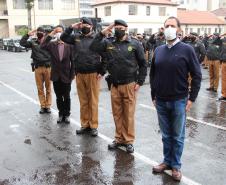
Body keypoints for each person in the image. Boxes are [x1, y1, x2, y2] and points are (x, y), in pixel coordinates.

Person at [150, 17, 202, 181]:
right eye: (167, 26)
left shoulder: (187, 49)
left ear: (179, 29)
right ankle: (167, 161)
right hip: (161, 101)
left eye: (172, 26)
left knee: (177, 136)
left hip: (179, 100)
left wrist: (191, 98)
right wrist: (153, 95)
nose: (169, 28)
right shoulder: (158, 50)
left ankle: (176, 166)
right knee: (166, 135)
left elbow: (197, 75)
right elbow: (153, 74)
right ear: (162, 29)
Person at [90, 19, 147, 153]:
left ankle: (128, 141)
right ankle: (119, 138)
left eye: (121, 27)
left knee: (128, 114)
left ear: (126, 29)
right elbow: (93, 47)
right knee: (117, 113)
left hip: (129, 84)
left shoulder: (135, 43)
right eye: (116, 27)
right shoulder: (108, 42)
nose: (118, 30)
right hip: (114, 84)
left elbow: (143, 64)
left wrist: (140, 82)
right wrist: (104, 32)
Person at [60, 17, 105, 136]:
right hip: (79, 74)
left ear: (91, 27)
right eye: (82, 25)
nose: (84, 27)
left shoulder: (97, 38)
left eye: (86, 25)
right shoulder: (76, 37)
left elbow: (105, 55)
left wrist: (102, 71)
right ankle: (85, 124)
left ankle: (93, 126)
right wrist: (71, 27)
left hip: (93, 74)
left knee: (93, 101)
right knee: (83, 101)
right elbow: (63, 37)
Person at [41, 25, 75, 123]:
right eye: (57, 31)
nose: (59, 33)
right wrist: (51, 34)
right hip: (56, 76)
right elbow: (42, 45)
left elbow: (73, 62)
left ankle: (67, 114)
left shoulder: (69, 45)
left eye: (60, 31)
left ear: (64, 32)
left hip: (66, 76)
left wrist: (72, 75)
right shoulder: (52, 45)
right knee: (59, 97)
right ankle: (61, 114)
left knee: (67, 96)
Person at [20, 27, 52, 114]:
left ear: (44, 33)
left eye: (41, 32)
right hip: (38, 68)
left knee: (48, 88)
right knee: (40, 88)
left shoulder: (48, 42)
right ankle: (43, 106)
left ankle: (48, 106)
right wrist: (27, 35)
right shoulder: (33, 42)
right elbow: (22, 43)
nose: (39, 33)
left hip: (47, 68)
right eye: (38, 32)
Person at [219, 34, 226, 101]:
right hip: (224, 61)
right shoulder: (224, 40)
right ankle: (224, 95)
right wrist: (221, 35)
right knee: (223, 79)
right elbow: (214, 42)